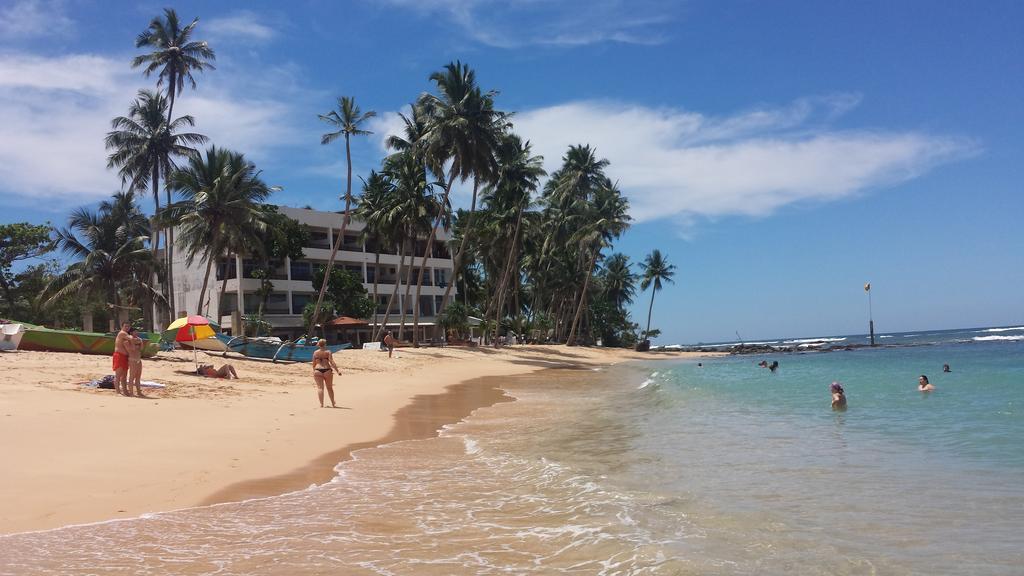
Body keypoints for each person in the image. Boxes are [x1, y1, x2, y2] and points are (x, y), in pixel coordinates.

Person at [312, 339, 341, 407]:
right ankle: (333, 403)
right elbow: (331, 362)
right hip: (327, 370)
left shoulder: (315, 352)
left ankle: (321, 404)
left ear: (319, 344)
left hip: (317, 370)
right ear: (325, 344)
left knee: (320, 388)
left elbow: (313, 363)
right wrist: (337, 371)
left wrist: (314, 371)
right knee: (329, 388)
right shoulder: (328, 352)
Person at [112, 321, 135, 396]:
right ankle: (118, 392)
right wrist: (133, 337)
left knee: (124, 376)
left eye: (128, 326)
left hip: (125, 356)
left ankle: (125, 391)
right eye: (125, 326)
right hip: (119, 355)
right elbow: (131, 338)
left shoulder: (126, 334)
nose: (127, 328)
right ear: (122, 327)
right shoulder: (122, 333)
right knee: (118, 375)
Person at [127, 328, 144, 397]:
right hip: (132, 359)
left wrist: (140, 342)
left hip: (138, 359)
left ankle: (138, 391)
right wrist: (134, 342)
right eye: (135, 331)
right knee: (132, 376)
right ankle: (131, 392)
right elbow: (132, 349)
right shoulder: (128, 340)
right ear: (131, 333)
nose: (136, 333)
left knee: (138, 377)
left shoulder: (139, 339)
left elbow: (141, 348)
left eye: (137, 331)